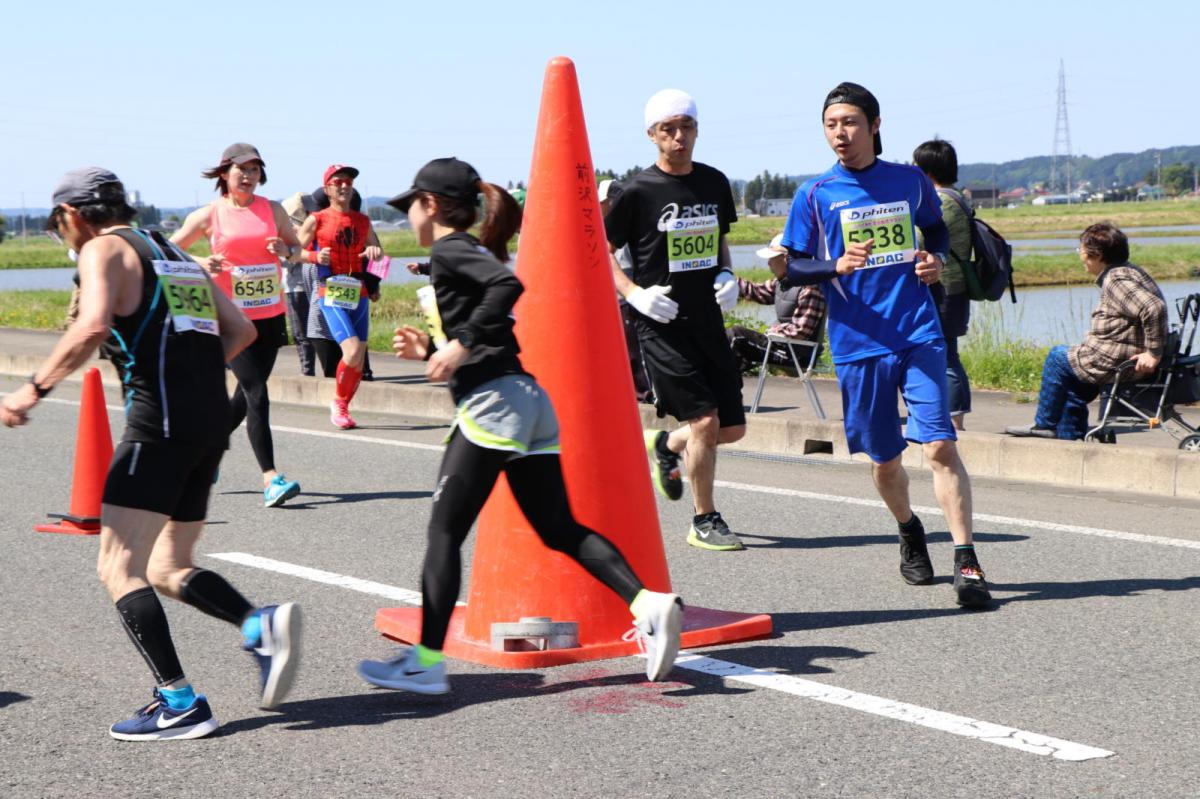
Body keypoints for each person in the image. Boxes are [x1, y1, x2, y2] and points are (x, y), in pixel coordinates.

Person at [356, 158, 683, 693]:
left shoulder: (451, 249)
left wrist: (459, 345)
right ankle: (648, 603)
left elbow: (506, 286)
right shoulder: (463, 252)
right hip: (527, 401)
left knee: (443, 532)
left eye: (410, 205)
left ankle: (425, 663)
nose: (407, 216)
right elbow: (489, 328)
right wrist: (434, 350)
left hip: (495, 405)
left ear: (431, 205)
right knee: (558, 528)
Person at [2, 168, 300, 740]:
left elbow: (91, 327)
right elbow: (240, 331)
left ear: (73, 214)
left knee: (118, 566)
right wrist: (188, 373)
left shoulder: (104, 248)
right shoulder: (176, 255)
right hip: (207, 422)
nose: (62, 234)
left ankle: (179, 702)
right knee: (168, 567)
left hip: (158, 425)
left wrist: (31, 390)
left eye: (58, 223)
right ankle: (257, 624)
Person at [775, 83, 990, 607]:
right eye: (831, 125)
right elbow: (791, 268)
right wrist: (835, 265)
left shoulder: (910, 181)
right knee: (885, 460)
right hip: (858, 341)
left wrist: (935, 260)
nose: (840, 134)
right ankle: (909, 528)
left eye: (849, 122)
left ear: (874, 125)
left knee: (940, 445)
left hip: (917, 331)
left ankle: (966, 560)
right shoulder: (815, 194)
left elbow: (936, 232)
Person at [604, 89, 747, 552]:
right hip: (661, 323)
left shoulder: (714, 182)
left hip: (708, 319)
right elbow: (602, 252)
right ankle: (705, 520)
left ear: (697, 130)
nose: (678, 137)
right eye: (668, 129)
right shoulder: (638, 191)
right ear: (652, 134)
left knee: (731, 429)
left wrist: (727, 273)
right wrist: (634, 294)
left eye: (686, 127)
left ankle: (666, 446)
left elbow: (719, 239)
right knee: (704, 421)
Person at [172, 143, 302, 507]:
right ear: (224, 173)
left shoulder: (273, 210)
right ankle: (271, 479)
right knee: (257, 392)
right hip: (232, 319)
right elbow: (169, 251)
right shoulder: (209, 214)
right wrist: (201, 262)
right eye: (241, 169)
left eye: (255, 170)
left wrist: (286, 251)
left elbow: (296, 249)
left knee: (244, 397)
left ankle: (205, 454)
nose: (248, 176)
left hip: (270, 314)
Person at [1005, 222, 1166, 440]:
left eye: (1080, 250)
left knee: (1057, 357)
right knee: (1071, 385)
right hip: (1120, 356)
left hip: (1117, 361)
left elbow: (1153, 308)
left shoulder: (1116, 280)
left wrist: (1153, 353)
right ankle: (1071, 438)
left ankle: (1044, 424)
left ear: (1097, 255)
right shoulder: (1129, 271)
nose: (1080, 256)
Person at [296, 165, 384, 429]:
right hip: (331, 290)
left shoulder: (363, 221)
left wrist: (374, 253)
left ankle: (343, 404)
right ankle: (338, 402)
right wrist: (314, 256)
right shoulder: (316, 219)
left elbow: (378, 251)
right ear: (327, 189)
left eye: (348, 182)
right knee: (352, 350)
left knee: (359, 358)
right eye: (338, 182)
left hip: (358, 291)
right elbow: (292, 252)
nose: (344, 186)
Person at [913, 139, 971, 430]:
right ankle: (952, 417)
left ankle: (955, 420)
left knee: (946, 356)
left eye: (916, 166)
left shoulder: (943, 202)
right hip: (952, 287)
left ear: (928, 170)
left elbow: (920, 240)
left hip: (946, 288)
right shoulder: (956, 197)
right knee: (947, 352)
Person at [726, 233, 826, 375]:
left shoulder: (810, 288)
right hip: (781, 347)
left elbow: (799, 332)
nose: (768, 264)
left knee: (736, 335)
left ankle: (719, 385)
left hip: (796, 356)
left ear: (786, 259)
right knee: (731, 345)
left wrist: (772, 331)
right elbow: (756, 291)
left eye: (771, 258)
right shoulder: (783, 283)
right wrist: (729, 280)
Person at [600, 179, 654, 404]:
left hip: (630, 302)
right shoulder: (618, 227)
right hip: (625, 302)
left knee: (636, 355)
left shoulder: (621, 230)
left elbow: (626, 269)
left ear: (612, 203)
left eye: (602, 203)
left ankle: (646, 399)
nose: (598, 207)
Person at [281, 192, 316, 377]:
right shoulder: (316, 226)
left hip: (297, 286)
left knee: (301, 333)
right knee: (319, 332)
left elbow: (285, 261)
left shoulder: (291, 232)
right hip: (316, 285)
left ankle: (307, 372)